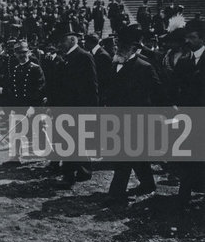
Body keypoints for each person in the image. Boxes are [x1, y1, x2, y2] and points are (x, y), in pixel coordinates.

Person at [105, 24, 162, 206]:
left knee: (124, 156)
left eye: (122, 45)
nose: (117, 48)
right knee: (136, 155)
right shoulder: (115, 64)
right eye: (118, 44)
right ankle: (148, 183)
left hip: (137, 119)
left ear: (133, 48)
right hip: (118, 118)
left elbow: (157, 92)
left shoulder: (144, 67)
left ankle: (116, 193)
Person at [53, 24, 99, 187]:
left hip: (79, 105)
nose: (60, 45)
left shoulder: (84, 56)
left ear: (73, 40)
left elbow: (92, 85)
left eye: (63, 41)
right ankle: (81, 171)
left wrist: (92, 108)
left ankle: (70, 175)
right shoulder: (66, 57)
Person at [174, 20, 205, 206]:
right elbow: (177, 86)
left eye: (192, 37)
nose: (188, 41)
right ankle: (184, 192)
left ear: (202, 39)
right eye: (187, 37)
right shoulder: (184, 61)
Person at [84, 33, 113, 106]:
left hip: (100, 93)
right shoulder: (95, 53)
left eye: (85, 42)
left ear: (90, 43)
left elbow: (105, 78)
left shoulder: (102, 56)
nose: (84, 45)